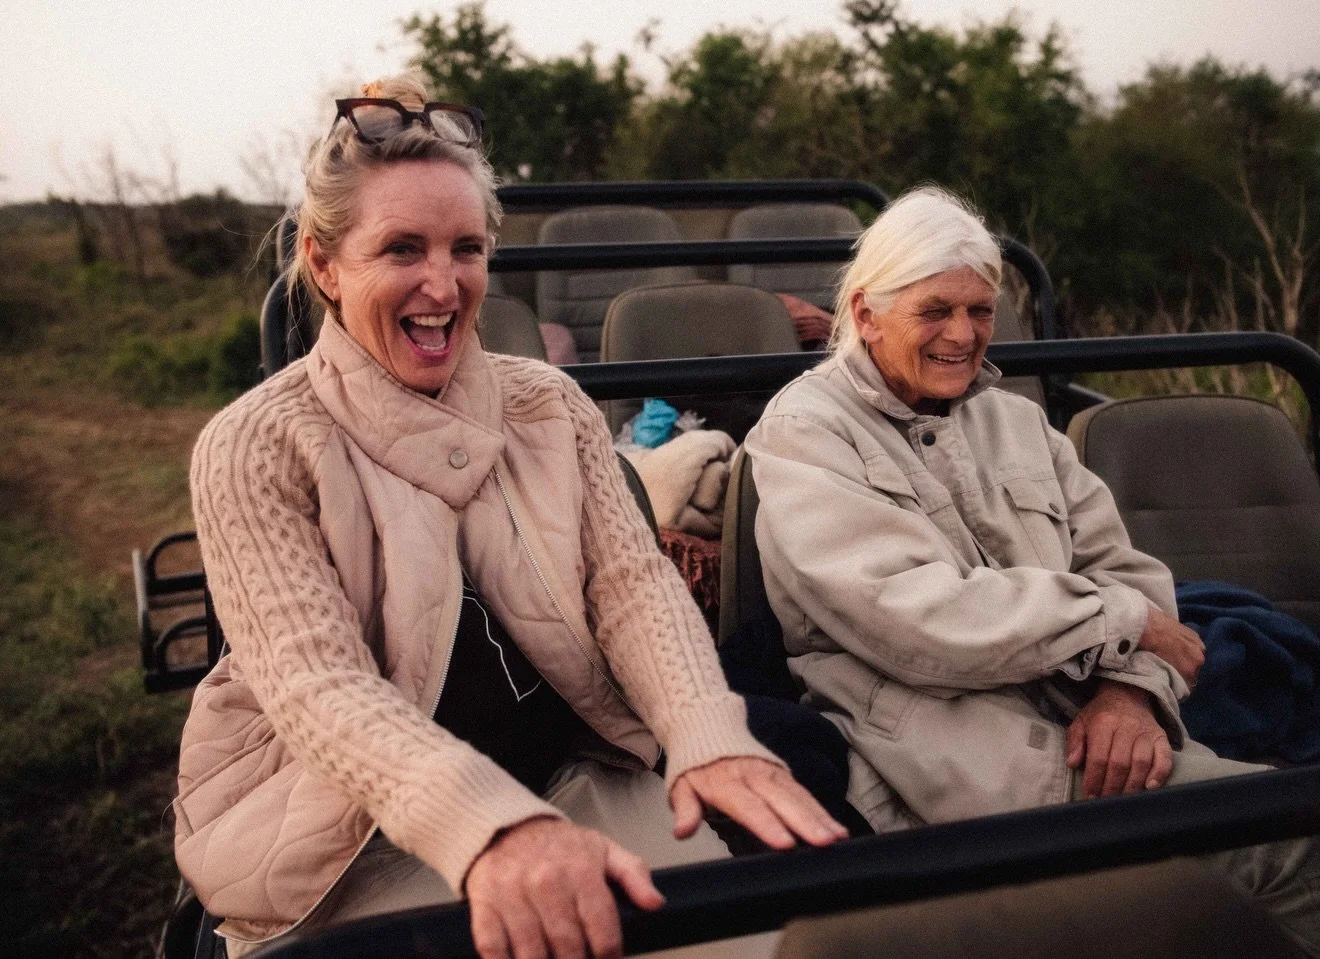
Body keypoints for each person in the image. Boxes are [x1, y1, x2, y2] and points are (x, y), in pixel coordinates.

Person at [175, 74, 844, 959]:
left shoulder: (550, 406)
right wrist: (491, 827)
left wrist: (704, 730)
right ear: (324, 263)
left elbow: (633, 587)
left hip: (573, 767)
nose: (443, 285)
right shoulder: (254, 444)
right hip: (349, 832)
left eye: (467, 249)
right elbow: (318, 683)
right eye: (403, 250)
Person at [744, 185, 1320, 958]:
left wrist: (1133, 691)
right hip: (953, 749)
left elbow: (1126, 570)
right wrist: (1118, 629)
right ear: (865, 314)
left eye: (980, 310)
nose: (964, 334)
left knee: (1310, 828)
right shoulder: (804, 432)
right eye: (936, 311)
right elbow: (915, 614)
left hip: (1092, 723)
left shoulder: (1017, 421)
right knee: (1301, 842)